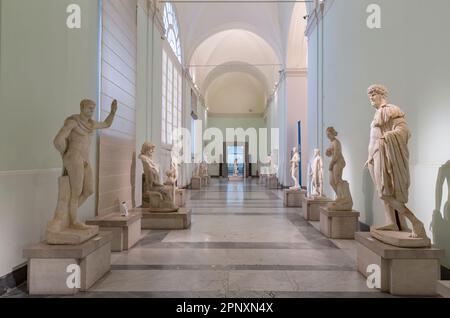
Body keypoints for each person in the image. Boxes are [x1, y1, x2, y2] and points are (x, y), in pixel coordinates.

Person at [365, 84, 427, 239]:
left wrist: (386, 138)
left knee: (385, 193)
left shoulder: (390, 110)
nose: (371, 97)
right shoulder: (378, 113)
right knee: (384, 192)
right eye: (369, 95)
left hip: (383, 154)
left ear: (381, 94)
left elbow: (404, 131)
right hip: (374, 157)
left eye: (373, 94)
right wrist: (370, 157)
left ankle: (416, 222)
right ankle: (391, 221)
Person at [53, 99, 117, 229]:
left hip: (85, 160)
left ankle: (67, 215)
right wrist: (65, 154)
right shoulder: (73, 122)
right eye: (89, 107)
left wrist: (113, 112)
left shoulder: (91, 124)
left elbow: (106, 124)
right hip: (74, 158)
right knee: (76, 192)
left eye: (93, 108)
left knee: (89, 190)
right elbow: (58, 140)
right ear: (82, 107)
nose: (92, 110)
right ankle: (74, 221)